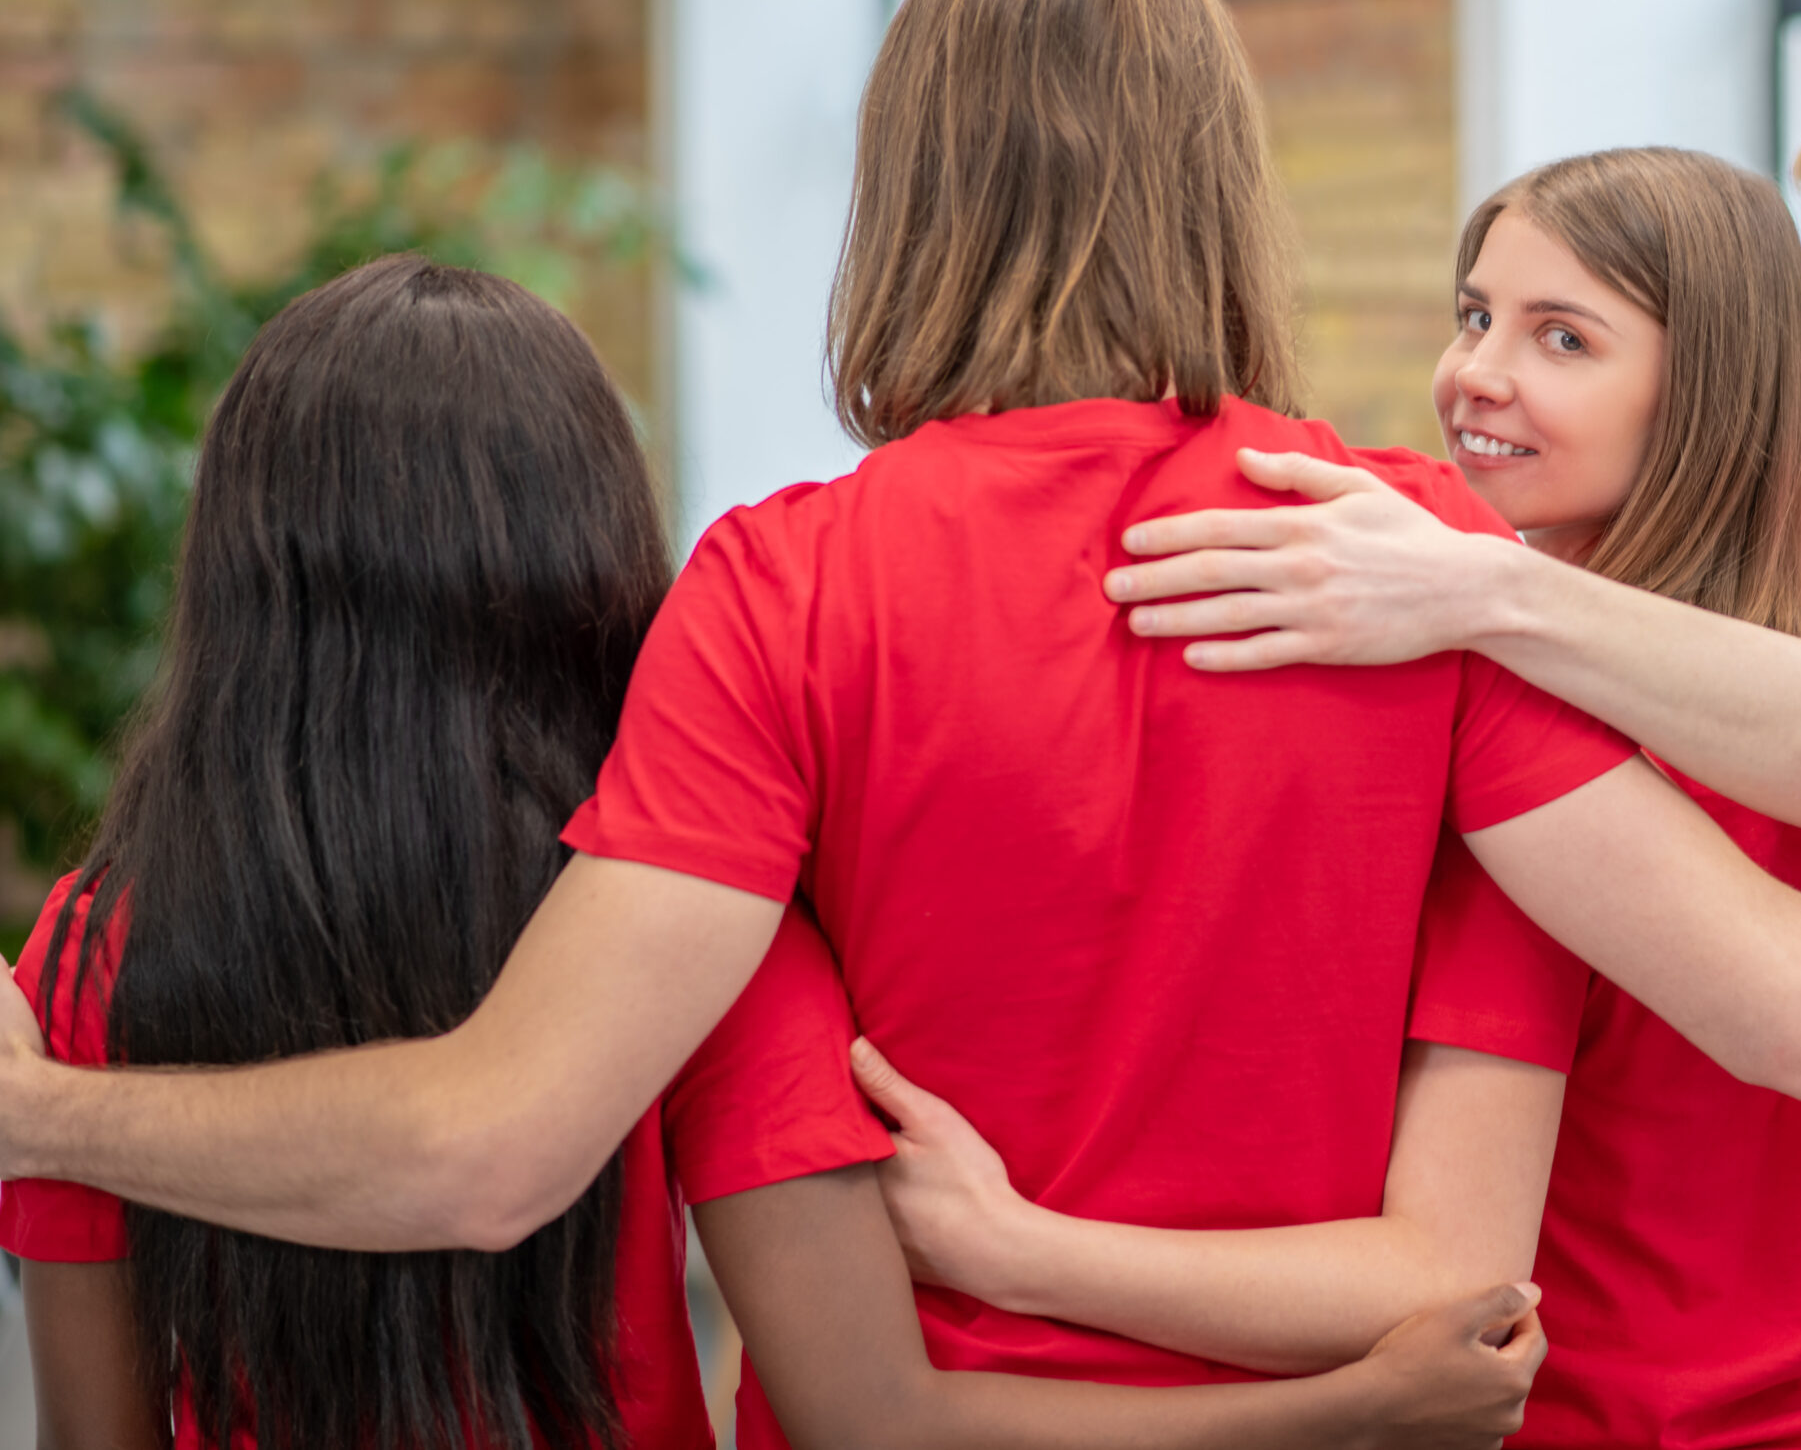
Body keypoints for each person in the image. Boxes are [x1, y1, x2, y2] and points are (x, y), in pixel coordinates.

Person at [0, 0, 1801, 1413]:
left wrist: (62, 1116)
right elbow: (1785, 1008)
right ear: (1224, 178)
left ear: (901, 184)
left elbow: (494, 1140)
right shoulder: (1392, 554)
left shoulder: (782, 588)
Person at [840, 147, 1801, 1449]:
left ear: (1705, 387)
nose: (1475, 375)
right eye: (1476, 316)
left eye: (1561, 338)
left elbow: (1465, 1253)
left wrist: (1018, 1255)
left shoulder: (1541, 738)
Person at [5, 253, 1544, 1450]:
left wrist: (56, 1118)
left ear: (245, 573)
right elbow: (873, 1413)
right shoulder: (687, 937)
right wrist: (1340, 1415)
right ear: (585, 565)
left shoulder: (86, 957)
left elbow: (96, 1432)